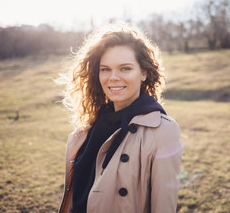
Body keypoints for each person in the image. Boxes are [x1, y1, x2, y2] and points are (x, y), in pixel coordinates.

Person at [58, 23, 182, 213]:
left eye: (125, 68)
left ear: (143, 73)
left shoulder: (163, 131)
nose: (113, 77)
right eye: (105, 69)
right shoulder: (87, 130)